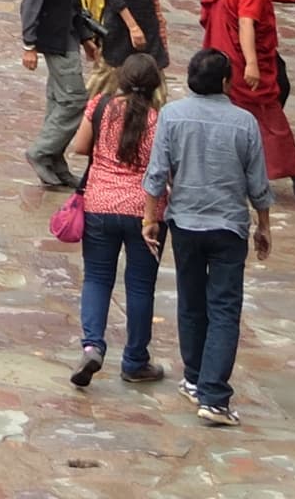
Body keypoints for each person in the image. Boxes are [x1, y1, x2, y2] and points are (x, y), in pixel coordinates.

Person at [145, 46, 272, 427]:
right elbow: (258, 182)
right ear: (224, 82)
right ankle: (214, 395)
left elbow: (156, 174)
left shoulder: (171, 116)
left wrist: (150, 219)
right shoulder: (244, 122)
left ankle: (194, 377)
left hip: (184, 223)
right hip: (228, 227)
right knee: (224, 308)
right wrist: (263, 225)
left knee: (191, 300)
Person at [63, 53, 169, 390]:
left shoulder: (100, 106)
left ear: (120, 79)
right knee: (140, 286)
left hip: (100, 204)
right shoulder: (158, 120)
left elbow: (80, 147)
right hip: (145, 212)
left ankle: (93, 345)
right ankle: (135, 359)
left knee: (96, 278)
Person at [202, 0, 295, 198]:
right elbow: (246, 24)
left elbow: (209, 10)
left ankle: (234, 171)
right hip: (243, 64)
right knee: (271, 119)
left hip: (222, 56)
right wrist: (251, 63)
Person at [19, 0, 104, 189]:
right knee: (74, 100)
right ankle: (41, 151)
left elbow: (74, 5)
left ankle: (55, 160)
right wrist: (29, 44)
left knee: (58, 101)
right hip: (53, 38)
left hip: (67, 35)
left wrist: (85, 38)